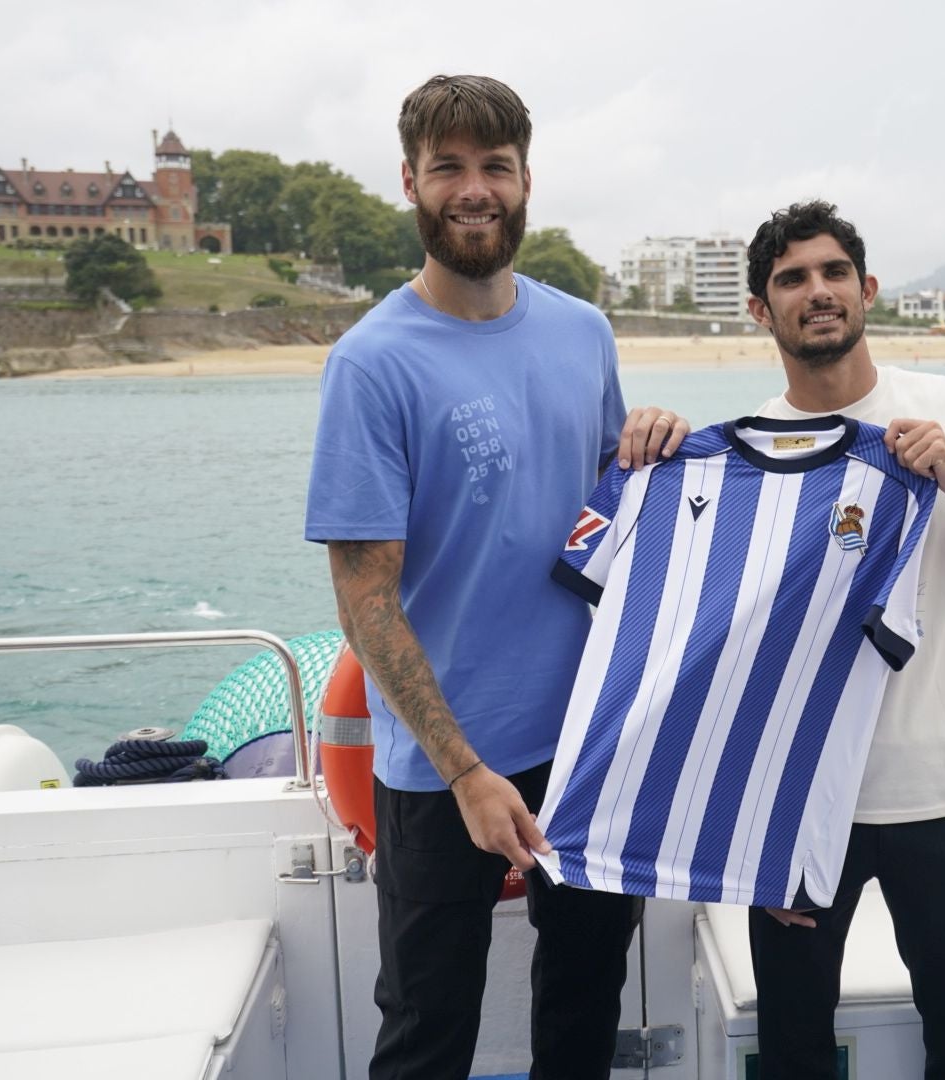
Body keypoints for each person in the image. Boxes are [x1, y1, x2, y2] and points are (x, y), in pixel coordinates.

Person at [305, 74, 689, 1080]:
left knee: (581, 1006)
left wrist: (655, 444)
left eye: (493, 167)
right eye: (448, 169)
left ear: (524, 182)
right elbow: (364, 599)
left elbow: (615, 520)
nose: (472, 190)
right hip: (439, 767)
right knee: (427, 1025)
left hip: (586, 744)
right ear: (410, 183)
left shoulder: (583, 333)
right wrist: (463, 770)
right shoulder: (372, 363)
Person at [742, 200, 945, 1080]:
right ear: (762, 312)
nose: (819, 292)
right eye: (793, 279)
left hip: (943, 801)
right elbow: (737, 661)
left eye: (834, 271)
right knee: (794, 1053)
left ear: (868, 288)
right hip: (804, 813)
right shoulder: (750, 453)